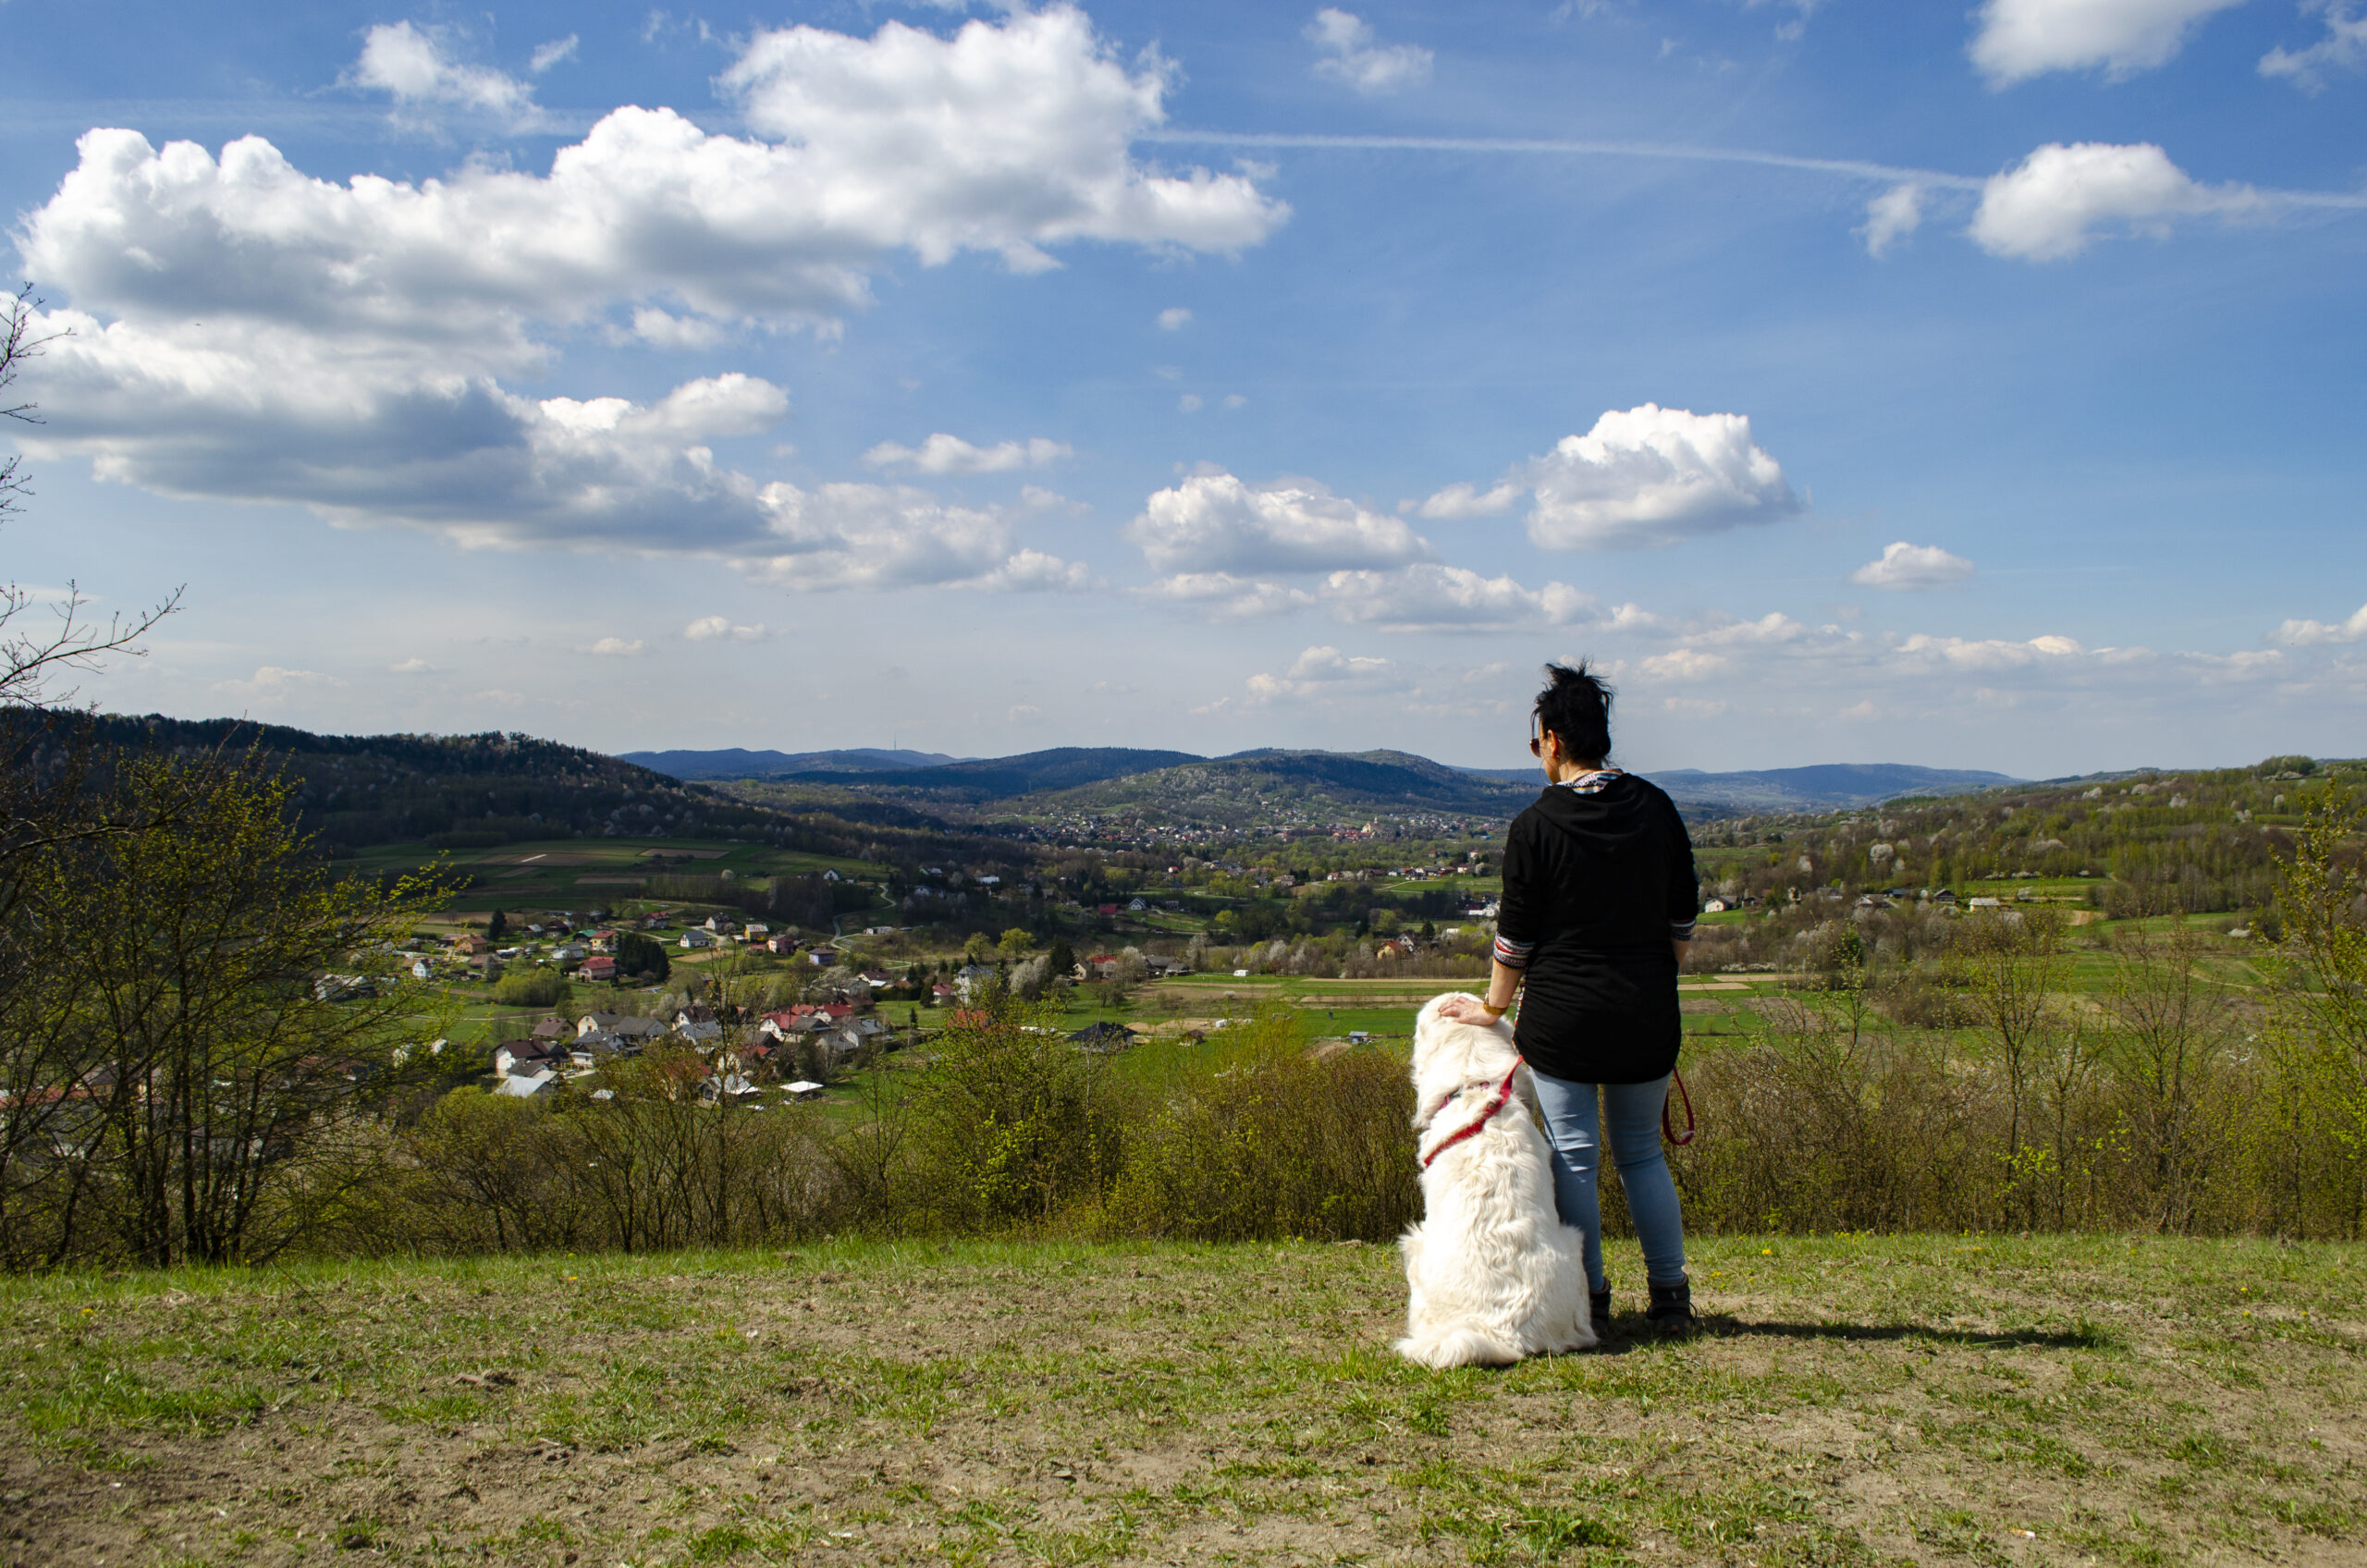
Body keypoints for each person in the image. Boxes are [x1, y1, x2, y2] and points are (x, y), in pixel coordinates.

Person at [1441, 662, 1700, 1337]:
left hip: (1563, 1020)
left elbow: (1514, 941)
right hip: (1646, 1013)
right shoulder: (1658, 809)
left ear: (1553, 741)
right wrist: (1655, 979)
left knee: (1575, 1158)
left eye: (1537, 744)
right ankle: (1671, 1296)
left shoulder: (1536, 825)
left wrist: (1492, 1010)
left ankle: (1591, 1301)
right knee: (1642, 1154)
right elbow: (1681, 920)